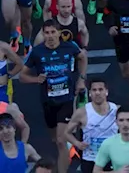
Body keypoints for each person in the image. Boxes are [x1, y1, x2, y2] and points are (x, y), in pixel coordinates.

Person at [21, 18, 86, 173]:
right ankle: (68, 146)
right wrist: (36, 79)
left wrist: (81, 80)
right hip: (48, 101)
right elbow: (22, 77)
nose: (50, 36)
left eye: (52, 32)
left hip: (66, 99)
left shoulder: (70, 47)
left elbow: (82, 57)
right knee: (54, 138)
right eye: (46, 33)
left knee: (60, 141)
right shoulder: (37, 52)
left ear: (59, 33)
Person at [63, 77, 117, 170]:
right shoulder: (82, 112)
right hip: (90, 159)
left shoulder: (115, 110)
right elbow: (66, 133)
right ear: (90, 93)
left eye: (100, 89)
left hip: (111, 157)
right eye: (94, 90)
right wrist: (77, 143)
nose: (97, 93)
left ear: (106, 92)